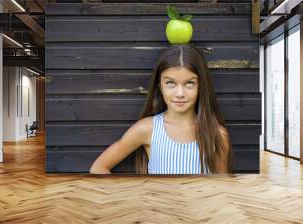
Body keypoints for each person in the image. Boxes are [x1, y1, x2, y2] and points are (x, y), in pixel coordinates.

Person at [89, 44, 232, 175]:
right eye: (170, 83)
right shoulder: (147, 129)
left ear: (201, 85)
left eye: (189, 83)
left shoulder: (217, 134)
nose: (179, 93)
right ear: (160, 85)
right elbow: (98, 168)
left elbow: (222, 189)